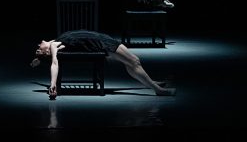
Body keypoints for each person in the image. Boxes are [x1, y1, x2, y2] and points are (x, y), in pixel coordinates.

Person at [31, 30, 175, 98]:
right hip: (101, 43)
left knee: (131, 62)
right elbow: (55, 63)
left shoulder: (54, 41)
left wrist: (39, 59)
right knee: (134, 61)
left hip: (101, 39)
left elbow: (49, 58)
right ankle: (157, 89)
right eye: (38, 49)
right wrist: (53, 85)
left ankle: (152, 83)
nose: (38, 44)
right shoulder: (54, 46)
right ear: (46, 51)